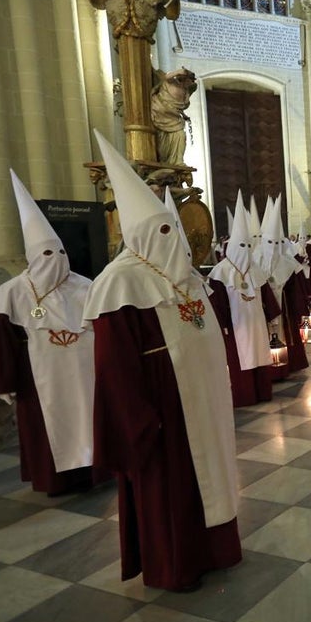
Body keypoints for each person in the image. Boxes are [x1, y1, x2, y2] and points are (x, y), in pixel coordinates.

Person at [83, 131, 240, 592]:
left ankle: (217, 550)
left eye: (175, 229)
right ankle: (177, 567)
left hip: (203, 402)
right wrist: (139, 420)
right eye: (164, 232)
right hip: (162, 411)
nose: (176, 240)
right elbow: (113, 368)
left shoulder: (189, 278)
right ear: (140, 236)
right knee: (172, 489)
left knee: (211, 476)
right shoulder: (118, 284)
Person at [0, 170, 104, 495]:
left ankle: (93, 473)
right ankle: (55, 480)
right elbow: (0, 340)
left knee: (89, 418)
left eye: (60, 252)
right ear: (32, 257)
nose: (56, 259)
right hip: (39, 377)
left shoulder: (84, 287)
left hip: (84, 374)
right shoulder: (12, 293)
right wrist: (7, 381)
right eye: (47, 253)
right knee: (48, 426)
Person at [208, 192, 278, 407]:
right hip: (235, 327)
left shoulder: (256, 270)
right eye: (242, 246)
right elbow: (217, 303)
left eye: (248, 246)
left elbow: (267, 296)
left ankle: (263, 392)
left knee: (259, 353)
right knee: (240, 359)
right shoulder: (220, 272)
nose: (246, 251)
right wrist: (223, 326)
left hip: (257, 323)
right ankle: (245, 395)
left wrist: (272, 318)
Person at [254, 194, 308, 379]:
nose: (273, 247)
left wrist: (300, 311)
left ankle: (285, 367)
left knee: (286, 334)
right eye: (270, 243)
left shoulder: (288, 263)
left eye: (277, 243)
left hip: (284, 309)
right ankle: (268, 370)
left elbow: (295, 290)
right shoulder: (255, 260)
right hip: (262, 308)